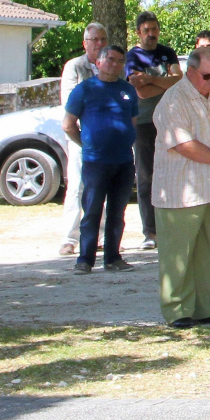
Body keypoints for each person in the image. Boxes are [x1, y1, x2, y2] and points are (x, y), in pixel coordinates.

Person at [153, 45, 210, 326]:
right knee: (178, 255)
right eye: (206, 76)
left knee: (208, 253)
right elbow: (183, 144)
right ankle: (177, 310)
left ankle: (206, 307)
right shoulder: (173, 99)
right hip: (180, 191)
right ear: (190, 71)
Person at [64, 44, 140, 273]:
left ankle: (113, 258)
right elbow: (68, 125)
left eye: (119, 61)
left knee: (117, 212)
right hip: (96, 161)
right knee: (93, 210)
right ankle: (85, 260)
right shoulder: (85, 90)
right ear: (98, 62)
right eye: (111, 60)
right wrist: (87, 144)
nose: (115, 65)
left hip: (124, 161)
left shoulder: (127, 90)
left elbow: (133, 123)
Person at [125, 10, 183, 252]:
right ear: (138, 32)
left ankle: (172, 226)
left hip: (170, 121)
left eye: (155, 29)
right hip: (145, 122)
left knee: (173, 172)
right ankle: (150, 231)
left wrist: (150, 79)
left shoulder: (167, 53)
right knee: (147, 176)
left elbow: (179, 81)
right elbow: (141, 92)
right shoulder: (133, 56)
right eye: (146, 30)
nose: (151, 34)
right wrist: (162, 82)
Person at [56, 23, 107, 258]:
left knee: (103, 188)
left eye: (102, 39)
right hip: (80, 137)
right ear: (85, 43)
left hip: (106, 139)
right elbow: (70, 105)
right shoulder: (75, 67)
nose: (98, 44)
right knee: (77, 187)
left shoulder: (112, 67)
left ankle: (103, 237)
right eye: (94, 39)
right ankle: (69, 239)